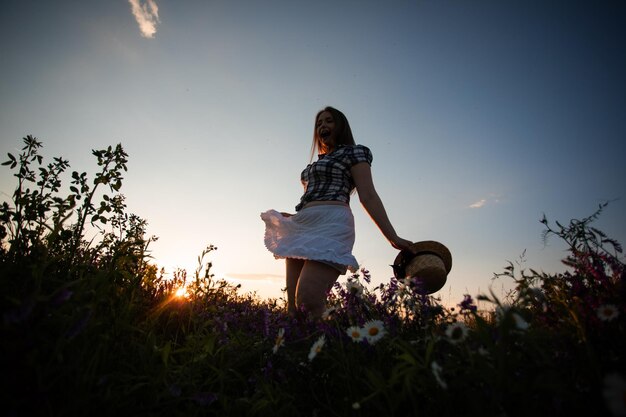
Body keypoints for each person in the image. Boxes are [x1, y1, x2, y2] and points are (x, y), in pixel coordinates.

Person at [261, 106, 412, 318]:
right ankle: (305, 349)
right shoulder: (313, 165)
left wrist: (392, 237)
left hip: (331, 223)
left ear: (340, 126)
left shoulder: (355, 152)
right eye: (319, 123)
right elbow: (312, 197)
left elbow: (367, 195)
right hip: (302, 225)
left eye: (329, 121)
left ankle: (332, 344)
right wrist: (295, 217)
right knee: (294, 311)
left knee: (308, 299)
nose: (323, 125)